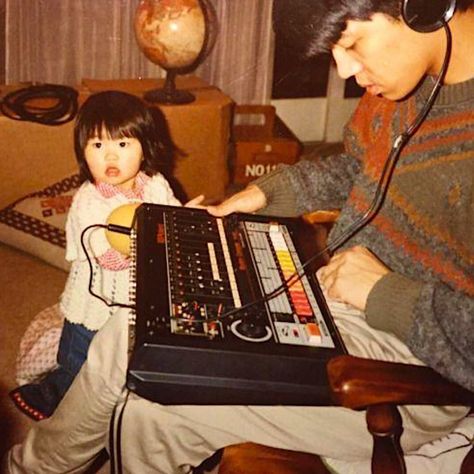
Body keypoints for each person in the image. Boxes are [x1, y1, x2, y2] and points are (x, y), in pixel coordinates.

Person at [3, 0, 474, 472]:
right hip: (330, 299)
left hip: (404, 368)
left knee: (129, 349)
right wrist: (262, 195)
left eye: (351, 44)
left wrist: (384, 293)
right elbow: (356, 165)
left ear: (427, 7)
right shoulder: (404, 86)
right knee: (147, 386)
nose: (345, 70)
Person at [9, 90, 182, 420]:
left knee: (128, 358)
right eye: (98, 145)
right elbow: (107, 255)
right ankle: (47, 396)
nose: (110, 157)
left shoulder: (156, 184)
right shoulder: (90, 201)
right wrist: (140, 246)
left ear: (145, 146)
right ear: (82, 152)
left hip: (135, 300)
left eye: (123, 144)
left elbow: (170, 215)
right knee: (79, 361)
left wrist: (186, 218)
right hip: (96, 301)